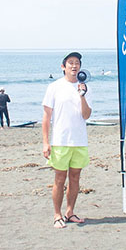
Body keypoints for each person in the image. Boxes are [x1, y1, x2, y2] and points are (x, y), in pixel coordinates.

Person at [42, 52, 92, 228]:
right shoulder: (54, 87)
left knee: (75, 178)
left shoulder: (85, 88)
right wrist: (46, 142)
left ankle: (70, 212)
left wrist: (82, 95)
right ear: (63, 67)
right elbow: (46, 117)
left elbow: (86, 115)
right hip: (60, 141)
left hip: (79, 141)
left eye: (77, 63)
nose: (74, 65)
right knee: (60, 178)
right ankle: (57, 215)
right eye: (70, 62)